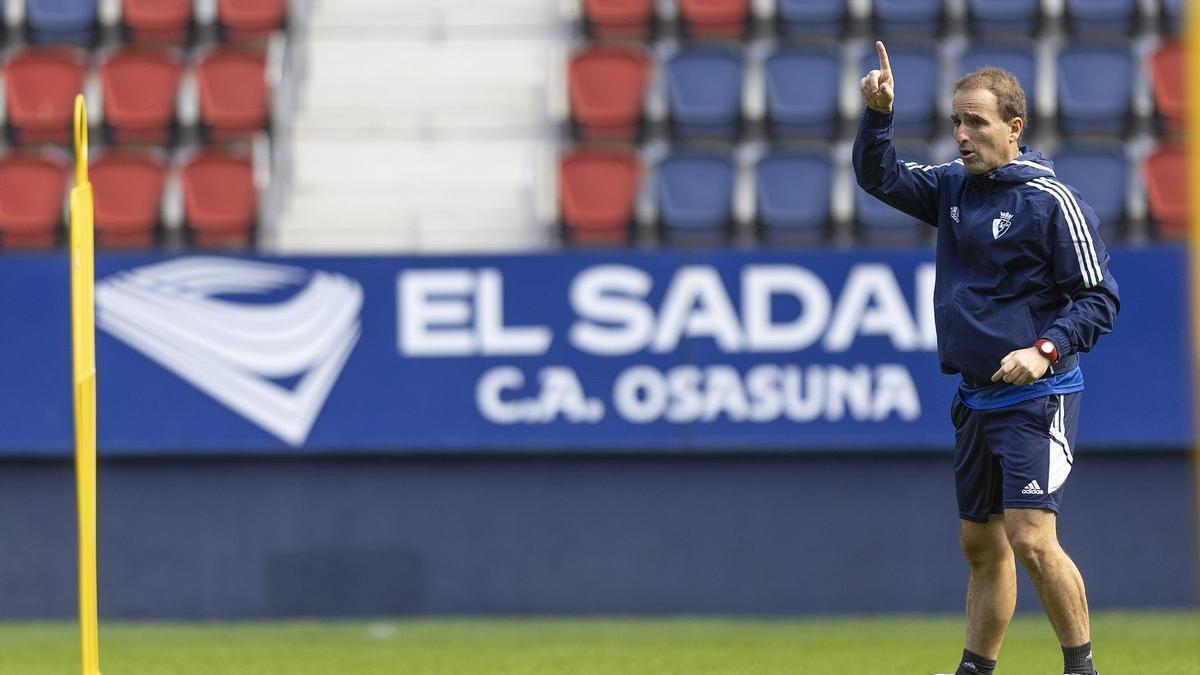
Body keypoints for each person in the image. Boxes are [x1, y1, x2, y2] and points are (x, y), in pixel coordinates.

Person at [853, 41, 1120, 675]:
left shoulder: (1051, 201)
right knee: (980, 544)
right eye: (956, 122)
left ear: (1014, 127)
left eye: (976, 122)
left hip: (1037, 394)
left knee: (1031, 539)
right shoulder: (951, 186)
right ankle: (976, 668)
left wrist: (1045, 349)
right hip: (975, 394)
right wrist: (878, 115)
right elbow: (878, 176)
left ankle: (1081, 668)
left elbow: (1099, 299)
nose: (963, 135)